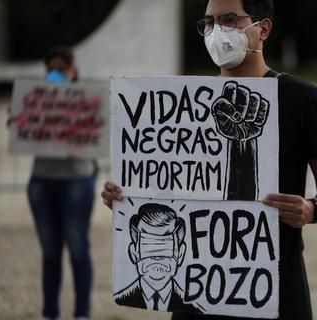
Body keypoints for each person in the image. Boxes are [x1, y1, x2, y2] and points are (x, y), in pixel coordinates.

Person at [102, 0, 317, 319]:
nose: (217, 31)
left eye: (229, 20)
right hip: (198, 294)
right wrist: (127, 197)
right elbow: (168, 184)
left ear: (263, 28)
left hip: (274, 291)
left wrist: (310, 210)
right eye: (209, 22)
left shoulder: (302, 100)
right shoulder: (182, 104)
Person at [26, 47, 95, 320]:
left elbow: (97, 138)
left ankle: (81, 314)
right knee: (50, 251)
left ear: (73, 70)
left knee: (78, 249)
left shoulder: (88, 101)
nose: (56, 73)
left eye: (62, 68)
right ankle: (50, 313)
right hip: (42, 180)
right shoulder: (34, 101)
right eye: (52, 68)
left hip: (76, 179)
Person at [114, 203, 200, 313]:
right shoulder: (124, 298)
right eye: (148, 245)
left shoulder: (192, 305)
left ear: (180, 253)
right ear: (133, 252)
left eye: (165, 245)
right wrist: (119, 203)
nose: (157, 257)